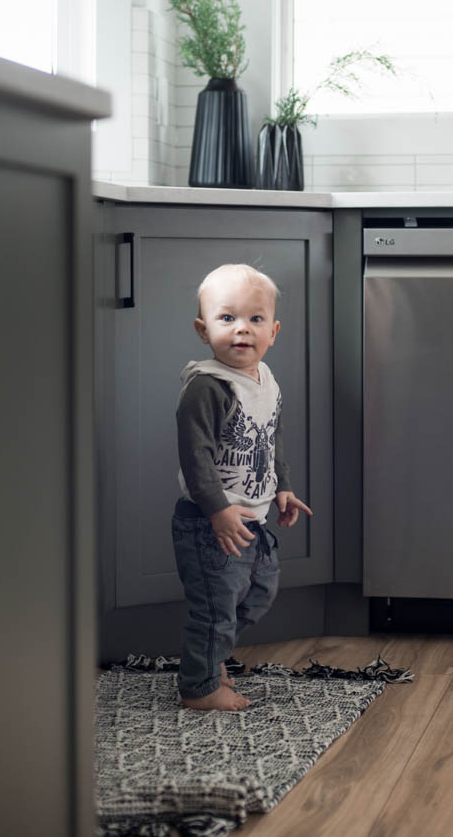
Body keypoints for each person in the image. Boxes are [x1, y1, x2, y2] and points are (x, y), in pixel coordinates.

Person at [171, 263, 312, 711]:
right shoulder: (207, 387)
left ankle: (211, 656)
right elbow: (195, 457)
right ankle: (200, 686)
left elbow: (272, 438)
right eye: (226, 318)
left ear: (273, 330)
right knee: (215, 608)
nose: (241, 330)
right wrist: (216, 509)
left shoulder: (264, 380)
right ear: (202, 329)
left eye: (254, 320)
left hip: (255, 516)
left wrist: (282, 489)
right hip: (210, 522)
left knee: (258, 594)